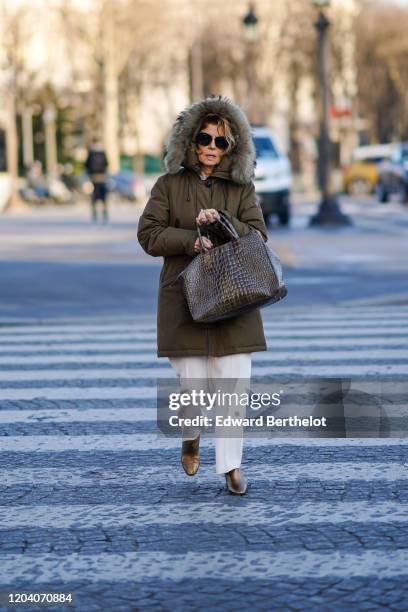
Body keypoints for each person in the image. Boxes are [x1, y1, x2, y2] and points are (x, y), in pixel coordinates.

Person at [137, 95, 268, 495]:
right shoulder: (168, 185)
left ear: (233, 147)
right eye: (205, 139)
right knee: (192, 388)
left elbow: (259, 235)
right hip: (184, 300)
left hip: (234, 300)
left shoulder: (241, 188)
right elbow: (148, 234)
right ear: (191, 141)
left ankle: (230, 467)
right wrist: (192, 241)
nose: (212, 147)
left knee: (233, 385)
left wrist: (225, 225)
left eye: (221, 142)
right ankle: (190, 436)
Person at [85, 139, 109, 222]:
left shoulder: (91, 153)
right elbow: (106, 163)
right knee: (103, 197)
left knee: (94, 197)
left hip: (93, 178)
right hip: (102, 177)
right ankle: (105, 213)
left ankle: (94, 214)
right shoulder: (102, 152)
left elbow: (86, 165)